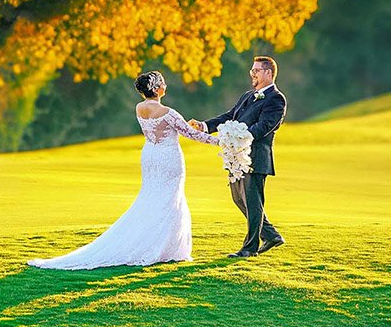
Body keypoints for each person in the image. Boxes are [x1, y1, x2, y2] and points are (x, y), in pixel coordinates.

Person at [29, 71, 219, 270]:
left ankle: (160, 245)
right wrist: (220, 141)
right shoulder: (168, 112)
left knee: (151, 197)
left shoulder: (140, 108)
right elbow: (192, 135)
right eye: (163, 83)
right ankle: (163, 247)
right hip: (168, 158)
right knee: (169, 199)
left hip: (150, 156)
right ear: (156, 89)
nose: (166, 86)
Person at [192, 56, 286, 258]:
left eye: (257, 71)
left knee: (253, 202)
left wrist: (236, 136)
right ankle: (271, 235)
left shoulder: (276, 99)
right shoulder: (247, 96)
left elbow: (264, 127)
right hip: (236, 158)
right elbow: (229, 116)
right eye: (252, 70)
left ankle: (249, 249)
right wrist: (205, 126)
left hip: (255, 158)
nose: (252, 74)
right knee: (238, 198)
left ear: (268, 73)